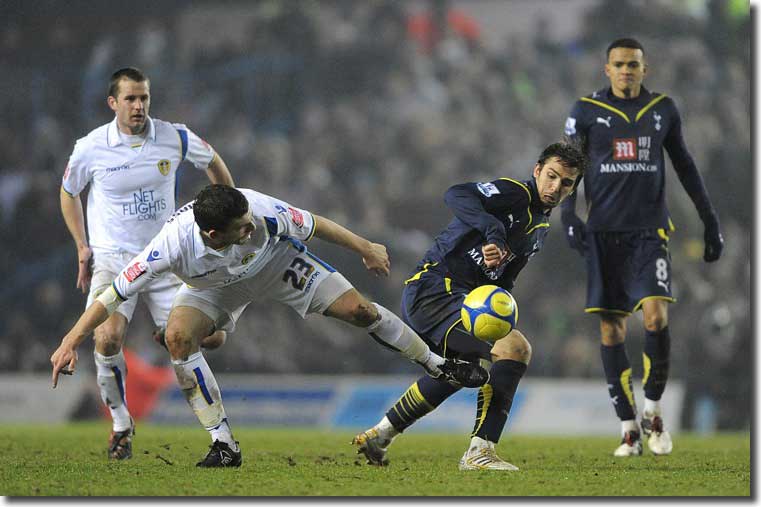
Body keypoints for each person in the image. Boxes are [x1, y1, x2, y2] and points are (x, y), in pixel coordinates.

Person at [51, 184, 489, 467]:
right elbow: (110, 298)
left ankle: (438, 365)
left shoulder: (261, 211)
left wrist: (365, 247)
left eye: (248, 221)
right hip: (214, 286)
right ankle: (224, 444)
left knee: (361, 312)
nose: (249, 227)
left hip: (277, 263)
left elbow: (317, 225)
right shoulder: (167, 249)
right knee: (177, 339)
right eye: (239, 228)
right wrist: (70, 341)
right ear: (210, 235)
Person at [353, 142, 586, 471]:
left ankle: (380, 434)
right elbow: (457, 194)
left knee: (459, 372)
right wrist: (492, 230)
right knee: (514, 348)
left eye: (566, 183)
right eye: (551, 176)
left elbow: (504, 278)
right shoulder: (515, 193)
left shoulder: (540, 228)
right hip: (435, 289)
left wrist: (501, 298)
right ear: (537, 171)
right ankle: (480, 452)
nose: (555, 187)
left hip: (464, 299)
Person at [560, 38, 724, 457]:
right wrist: (568, 216)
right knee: (612, 329)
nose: (627, 70)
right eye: (619, 64)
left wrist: (709, 220)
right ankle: (628, 428)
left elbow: (685, 165)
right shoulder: (585, 111)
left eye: (634, 64)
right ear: (607, 68)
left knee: (655, 317)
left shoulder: (662, 110)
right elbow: (569, 166)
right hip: (602, 234)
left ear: (644, 69)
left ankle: (653, 409)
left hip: (649, 233)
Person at [60, 67, 233, 460]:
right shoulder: (90, 147)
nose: (139, 106)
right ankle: (121, 422)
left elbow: (215, 162)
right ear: (113, 103)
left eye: (144, 98)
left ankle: (221, 439)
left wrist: (230, 208)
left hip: (166, 257)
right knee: (106, 339)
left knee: (207, 338)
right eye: (131, 99)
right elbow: (69, 192)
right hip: (112, 258)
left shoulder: (175, 136)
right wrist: (81, 246)